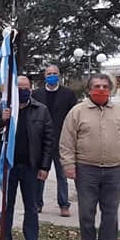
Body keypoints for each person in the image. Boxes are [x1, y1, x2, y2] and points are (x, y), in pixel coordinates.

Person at [60, 73, 120, 240]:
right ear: (89, 89)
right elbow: (67, 141)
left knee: (110, 211)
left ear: (110, 89)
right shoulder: (77, 112)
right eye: (97, 86)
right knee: (87, 211)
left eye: (105, 86)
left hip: (113, 170)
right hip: (86, 169)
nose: (101, 90)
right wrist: (68, 165)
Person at [0, 75, 54, 240]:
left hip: (31, 166)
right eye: (19, 88)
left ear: (31, 89)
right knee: (6, 205)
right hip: (8, 166)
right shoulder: (1, 108)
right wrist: (3, 120)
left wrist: (45, 167)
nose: (23, 91)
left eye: (26, 88)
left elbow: (48, 141)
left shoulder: (41, 110)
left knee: (31, 206)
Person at [32, 64, 78, 217]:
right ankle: (37, 203)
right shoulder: (36, 94)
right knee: (40, 175)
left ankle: (64, 205)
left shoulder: (68, 94)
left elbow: (73, 117)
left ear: (59, 75)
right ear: (44, 76)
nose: (52, 75)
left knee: (62, 176)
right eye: (49, 73)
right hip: (41, 142)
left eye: (54, 73)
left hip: (61, 142)